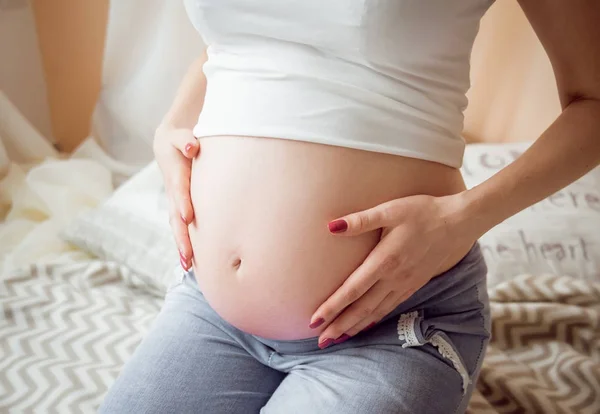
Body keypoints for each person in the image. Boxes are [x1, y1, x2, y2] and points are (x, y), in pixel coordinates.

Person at [99, 1, 600, 413]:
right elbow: (233, 39)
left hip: (396, 321)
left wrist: (463, 218)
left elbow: (592, 101)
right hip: (212, 308)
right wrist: (171, 124)